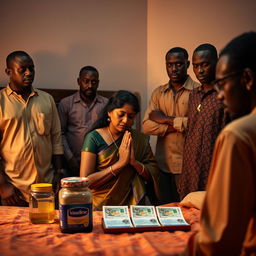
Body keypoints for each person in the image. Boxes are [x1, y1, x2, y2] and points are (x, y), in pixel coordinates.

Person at [183, 32, 256, 255]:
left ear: (247, 79)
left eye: (222, 83)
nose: (220, 95)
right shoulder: (194, 96)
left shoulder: (239, 135)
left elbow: (219, 238)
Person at [0, 51, 63, 206]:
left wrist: (59, 173)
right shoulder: (0, 102)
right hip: (14, 189)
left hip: (46, 187)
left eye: (32, 69)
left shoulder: (47, 100)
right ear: (8, 72)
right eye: (22, 70)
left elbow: (56, 139)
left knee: (49, 229)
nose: (29, 73)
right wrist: (2, 186)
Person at [80, 90, 160, 210]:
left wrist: (134, 163)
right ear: (109, 112)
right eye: (121, 114)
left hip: (133, 208)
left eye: (131, 116)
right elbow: (85, 181)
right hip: (100, 208)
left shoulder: (139, 140)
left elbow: (153, 174)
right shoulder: (93, 138)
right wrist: (120, 164)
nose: (125, 120)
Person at [142, 47, 199, 204]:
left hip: (187, 167)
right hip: (162, 165)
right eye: (170, 64)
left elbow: (198, 124)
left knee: (186, 213)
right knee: (164, 210)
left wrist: (164, 118)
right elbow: (146, 126)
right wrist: (180, 124)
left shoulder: (198, 91)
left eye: (179, 64)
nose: (174, 69)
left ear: (187, 64)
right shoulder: (158, 93)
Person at [178, 44, 226, 199]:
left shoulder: (225, 95)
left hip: (213, 168)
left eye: (205, 64)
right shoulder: (194, 95)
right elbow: (191, 132)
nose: (200, 70)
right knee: (187, 212)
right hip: (190, 168)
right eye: (196, 66)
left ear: (217, 63)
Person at [58, 66, 108, 176]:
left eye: (94, 82)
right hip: (72, 162)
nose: (90, 85)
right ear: (78, 81)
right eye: (86, 81)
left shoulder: (106, 104)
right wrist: (70, 159)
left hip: (99, 163)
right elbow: (60, 134)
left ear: (98, 83)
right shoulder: (66, 104)